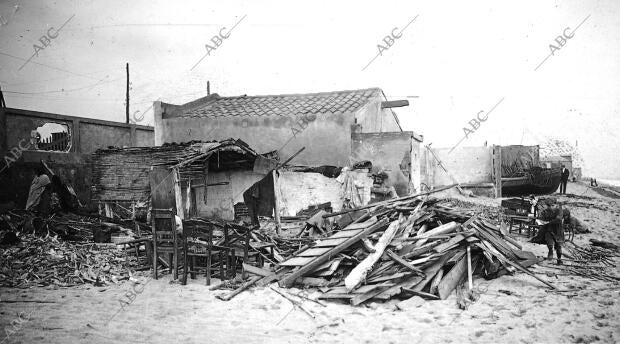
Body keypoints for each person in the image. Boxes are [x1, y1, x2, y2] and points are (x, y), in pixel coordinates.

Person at [531, 198, 565, 265]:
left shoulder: (559, 210)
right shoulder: (546, 211)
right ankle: (550, 254)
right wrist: (538, 219)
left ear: (555, 204)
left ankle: (559, 259)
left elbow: (558, 219)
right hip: (549, 229)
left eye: (552, 205)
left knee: (558, 245)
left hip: (558, 230)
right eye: (549, 206)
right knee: (549, 243)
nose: (551, 207)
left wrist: (549, 222)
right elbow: (542, 217)